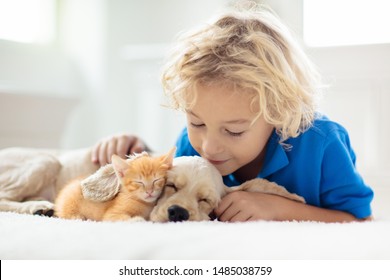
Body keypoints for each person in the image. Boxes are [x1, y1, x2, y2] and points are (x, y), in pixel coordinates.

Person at [91, 5, 373, 223]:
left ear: (278, 113)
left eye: (234, 131)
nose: (208, 147)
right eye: (196, 122)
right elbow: (170, 185)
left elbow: (360, 220)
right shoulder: (194, 147)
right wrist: (136, 152)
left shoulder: (323, 143)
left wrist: (276, 208)